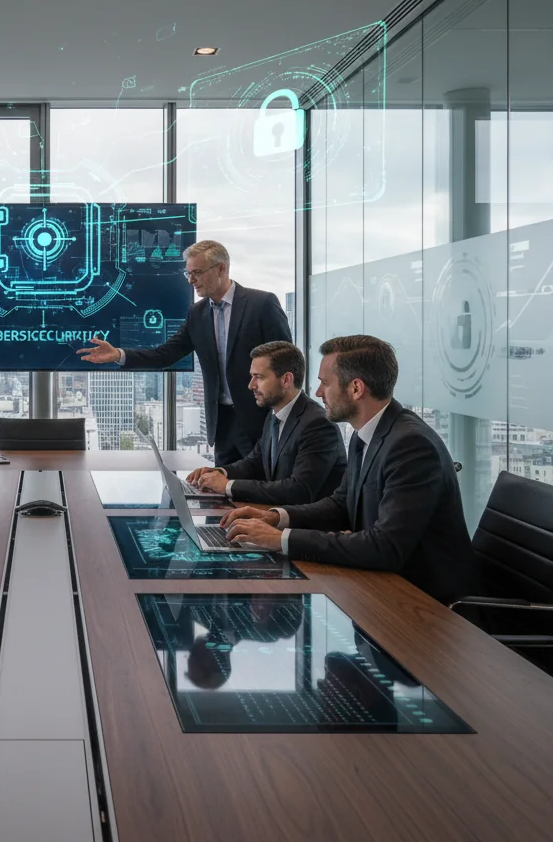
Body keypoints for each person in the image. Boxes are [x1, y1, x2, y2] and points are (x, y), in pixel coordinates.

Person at [221, 335, 477, 604]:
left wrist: (281, 539)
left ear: (356, 388)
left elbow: (384, 546)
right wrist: (276, 518)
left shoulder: (411, 446)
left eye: (325, 383)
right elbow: (341, 503)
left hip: (427, 604)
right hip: (382, 586)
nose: (318, 393)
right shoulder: (365, 433)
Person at [77, 240, 291, 464]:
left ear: (221, 268)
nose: (191, 280)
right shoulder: (196, 313)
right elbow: (164, 355)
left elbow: (287, 360)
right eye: (188, 274)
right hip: (222, 425)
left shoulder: (261, 303)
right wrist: (119, 354)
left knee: (265, 490)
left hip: (262, 420)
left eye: (197, 273)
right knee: (222, 490)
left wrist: (282, 415)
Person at [186, 340, 345, 506]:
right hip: (278, 517)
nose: (251, 385)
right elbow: (254, 462)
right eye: (252, 376)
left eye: (259, 377)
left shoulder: (317, 424)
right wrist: (218, 472)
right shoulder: (274, 415)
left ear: (286, 380)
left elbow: (299, 490)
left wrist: (227, 486)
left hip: (308, 527)